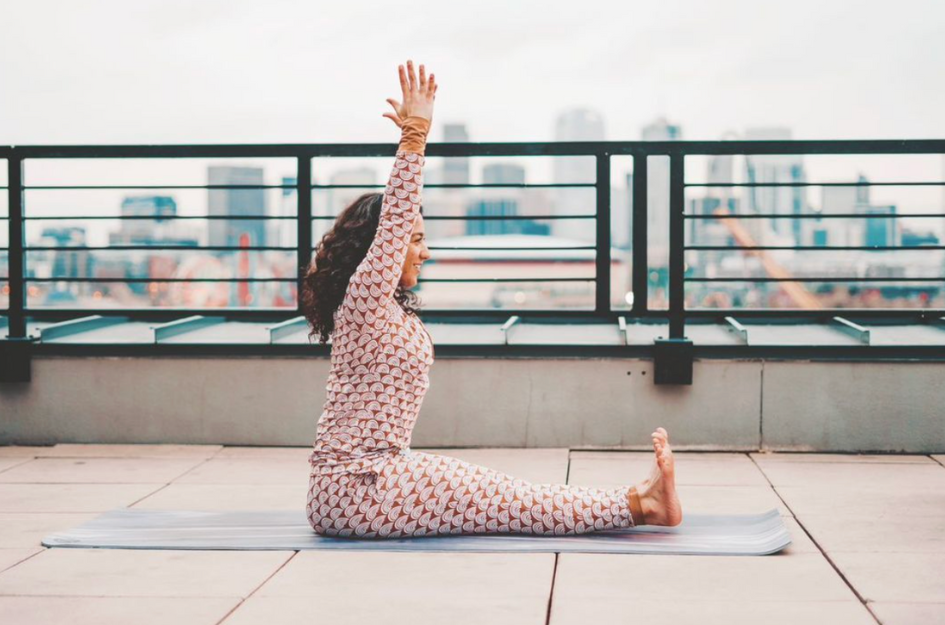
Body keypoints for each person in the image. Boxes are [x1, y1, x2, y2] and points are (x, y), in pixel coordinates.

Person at [300, 60, 682, 539]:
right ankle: (640, 506)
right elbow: (395, 219)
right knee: (506, 497)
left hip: (375, 480)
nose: (425, 250)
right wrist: (414, 135)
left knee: (503, 493)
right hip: (354, 490)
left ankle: (640, 502)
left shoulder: (382, 309)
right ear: (381, 246)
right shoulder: (364, 299)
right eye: (414, 240)